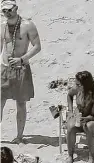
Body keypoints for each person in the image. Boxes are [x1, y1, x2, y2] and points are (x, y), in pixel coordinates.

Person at [1, 0, 41, 144]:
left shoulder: (27, 25)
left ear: (16, 8)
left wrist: (22, 59)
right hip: (4, 69)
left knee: (20, 103)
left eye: (9, 10)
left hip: (21, 69)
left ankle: (19, 136)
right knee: (0, 101)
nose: (7, 13)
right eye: (4, 10)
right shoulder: (2, 26)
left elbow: (37, 46)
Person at [65, 71, 94, 163]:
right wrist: (70, 110)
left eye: (78, 84)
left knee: (89, 126)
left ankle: (92, 155)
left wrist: (86, 119)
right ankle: (70, 156)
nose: (75, 86)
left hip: (93, 119)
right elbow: (69, 95)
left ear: (85, 85)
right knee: (70, 127)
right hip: (80, 116)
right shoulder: (78, 89)